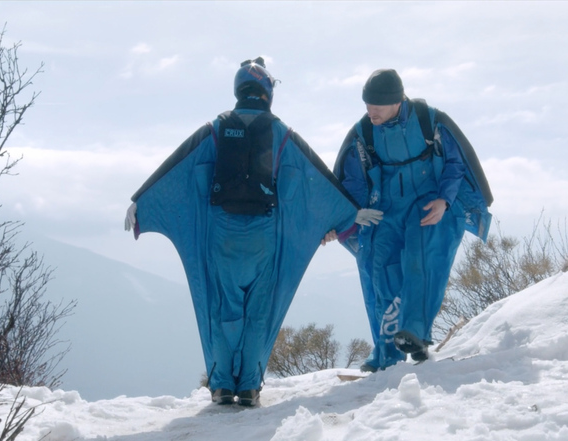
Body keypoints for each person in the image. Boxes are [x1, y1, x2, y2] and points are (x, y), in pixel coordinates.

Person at [125, 57, 381, 407]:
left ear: (238, 89)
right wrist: (347, 213)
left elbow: (178, 164)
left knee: (223, 309)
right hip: (264, 235)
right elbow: (314, 176)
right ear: (267, 92)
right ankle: (248, 386)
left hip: (221, 233)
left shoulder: (217, 128)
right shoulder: (280, 132)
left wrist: (142, 202)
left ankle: (220, 386)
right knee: (259, 311)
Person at [328, 68, 493, 372]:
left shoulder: (428, 120)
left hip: (430, 199)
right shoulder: (363, 132)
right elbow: (351, 180)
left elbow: (455, 163)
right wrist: (341, 219)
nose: (371, 112)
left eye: (377, 105)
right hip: (386, 207)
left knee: (423, 255)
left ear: (396, 101)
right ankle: (386, 354)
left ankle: (415, 334)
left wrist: (445, 199)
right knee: (378, 267)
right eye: (367, 105)